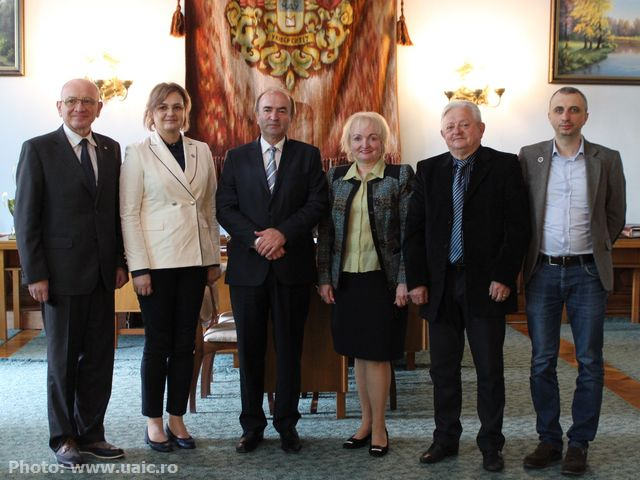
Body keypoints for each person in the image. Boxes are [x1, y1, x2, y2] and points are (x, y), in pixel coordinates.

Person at [404, 100, 530, 472]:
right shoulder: (428, 171)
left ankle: (491, 444)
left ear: (480, 129)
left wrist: (505, 276)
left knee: (489, 368)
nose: (457, 132)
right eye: (450, 127)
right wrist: (418, 281)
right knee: (443, 369)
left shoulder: (504, 166)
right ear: (442, 134)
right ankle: (445, 439)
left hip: (487, 285)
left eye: (464, 125)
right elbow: (414, 231)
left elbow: (518, 227)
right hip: (440, 286)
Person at [14, 78, 129, 468]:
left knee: (99, 359)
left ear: (100, 108)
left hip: (101, 275)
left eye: (88, 102)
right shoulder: (38, 149)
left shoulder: (111, 150)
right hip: (59, 277)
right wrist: (35, 274)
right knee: (62, 361)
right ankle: (63, 438)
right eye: (72, 101)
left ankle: (92, 433)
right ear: (59, 106)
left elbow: (115, 211)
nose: (80, 108)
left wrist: (120, 262)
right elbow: (26, 217)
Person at [519, 87, 626, 476]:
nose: (566, 116)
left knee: (590, 360)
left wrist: (595, 250)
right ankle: (549, 439)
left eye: (574, 110)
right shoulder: (529, 157)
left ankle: (579, 442)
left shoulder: (606, 159)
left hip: (587, 273)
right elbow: (521, 213)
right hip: (542, 271)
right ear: (549, 115)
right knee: (542, 360)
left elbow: (615, 216)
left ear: (585, 116)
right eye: (559, 109)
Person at [216, 87, 328, 454]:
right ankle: (251, 425)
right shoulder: (236, 157)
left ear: (291, 116)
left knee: (289, 349)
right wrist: (256, 239)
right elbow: (225, 208)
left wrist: (283, 233)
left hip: (291, 268)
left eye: (282, 110)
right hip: (248, 271)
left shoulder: (308, 156)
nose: (274, 116)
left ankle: (286, 424)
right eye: (268, 109)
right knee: (249, 352)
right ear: (256, 113)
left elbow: (317, 204)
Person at [120, 82, 221, 452]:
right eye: (163, 107)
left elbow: (207, 209)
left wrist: (211, 259)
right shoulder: (138, 152)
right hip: (157, 264)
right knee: (158, 343)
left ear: (186, 112)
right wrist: (138, 268)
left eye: (177, 107)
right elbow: (129, 215)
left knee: (185, 344)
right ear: (152, 113)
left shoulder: (202, 151)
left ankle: (177, 416)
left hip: (194, 261)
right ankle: (153, 420)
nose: (170, 114)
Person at [317, 111, 413, 457]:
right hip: (347, 281)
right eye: (357, 138)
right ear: (348, 144)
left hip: (382, 281)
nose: (365, 144)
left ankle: (380, 427)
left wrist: (404, 280)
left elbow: (408, 234)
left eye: (372, 137)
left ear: (383, 142)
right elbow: (326, 232)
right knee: (358, 354)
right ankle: (365, 422)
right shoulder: (336, 178)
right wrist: (324, 277)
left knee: (379, 354)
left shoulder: (399, 177)